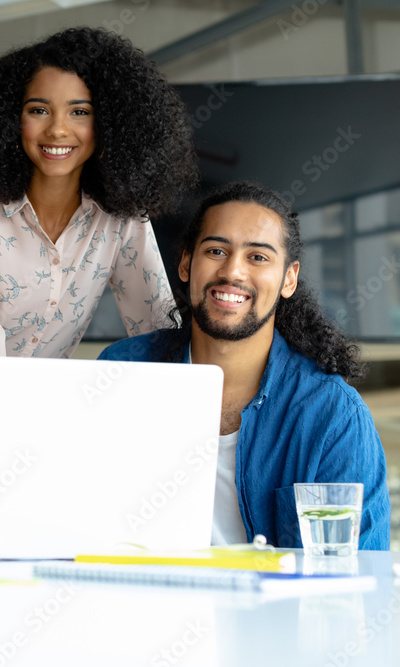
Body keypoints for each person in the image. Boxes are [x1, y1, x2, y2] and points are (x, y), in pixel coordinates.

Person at [0, 27, 197, 404]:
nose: (57, 129)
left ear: (109, 125)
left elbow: (155, 324)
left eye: (79, 112)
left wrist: (188, 406)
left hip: (27, 408)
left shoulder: (121, 215)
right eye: (38, 110)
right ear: (10, 119)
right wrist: (0, 421)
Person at [99, 181, 390, 549]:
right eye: (216, 250)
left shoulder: (333, 415)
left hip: (275, 606)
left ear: (289, 278)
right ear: (186, 263)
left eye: (258, 257)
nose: (233, 272)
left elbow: (358, 575)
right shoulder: (122, 371)